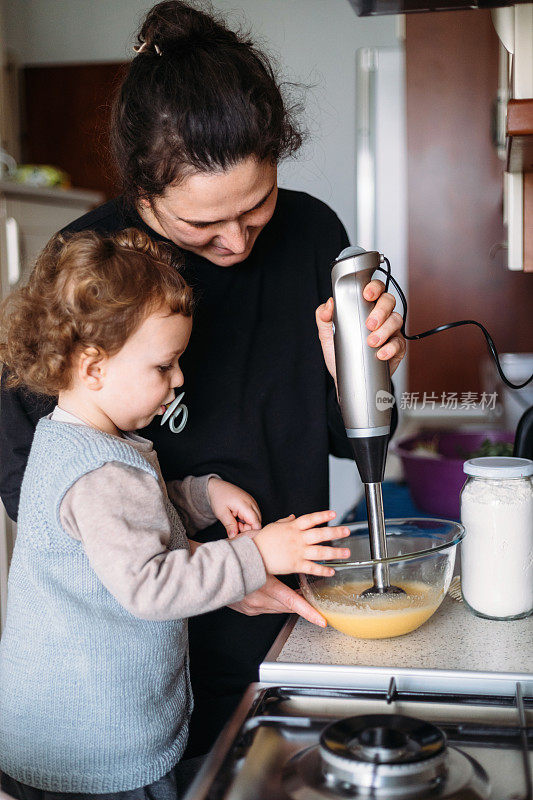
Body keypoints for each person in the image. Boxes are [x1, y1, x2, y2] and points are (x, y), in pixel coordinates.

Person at [0, 1, 406, 755]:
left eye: (255, 209)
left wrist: (368, 370)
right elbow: (35, 474)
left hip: (288, 606)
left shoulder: (314, 233)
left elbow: (348, 441)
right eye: (200, 226)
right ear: (140, 195)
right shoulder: (89, 263)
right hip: (135, 659)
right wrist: (209, 570)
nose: (234, 241)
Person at [0, 229, 351, 799]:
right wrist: (259, 554)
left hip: (57, 735)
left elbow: (134, 512)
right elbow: (152, 586)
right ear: (93, 368)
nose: (180, 379)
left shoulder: (71, 439)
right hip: (94, 757)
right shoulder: (100, 473)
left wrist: (201, 493)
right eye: (164, 366)